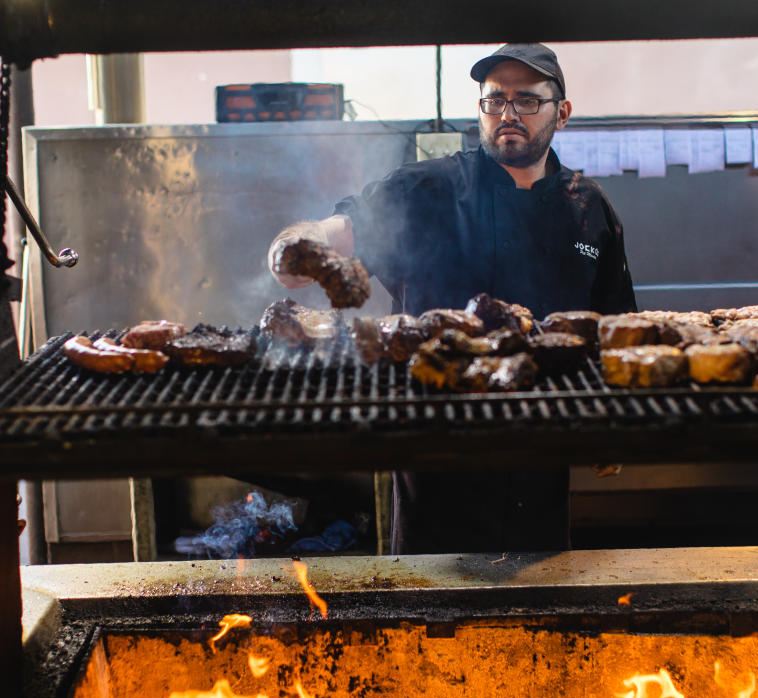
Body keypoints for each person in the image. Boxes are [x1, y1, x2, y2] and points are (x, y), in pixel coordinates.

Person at [267, 43, 637, 555]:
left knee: (540, 619)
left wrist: (612, 425)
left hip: (542, 469)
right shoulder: (427, 190)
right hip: (436, 469)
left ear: (562, 113)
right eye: (494, 100)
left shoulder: (588, 210)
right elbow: (342, 228)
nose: (508, 113)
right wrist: (297, 248)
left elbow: (615, 326)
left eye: (526, 100)